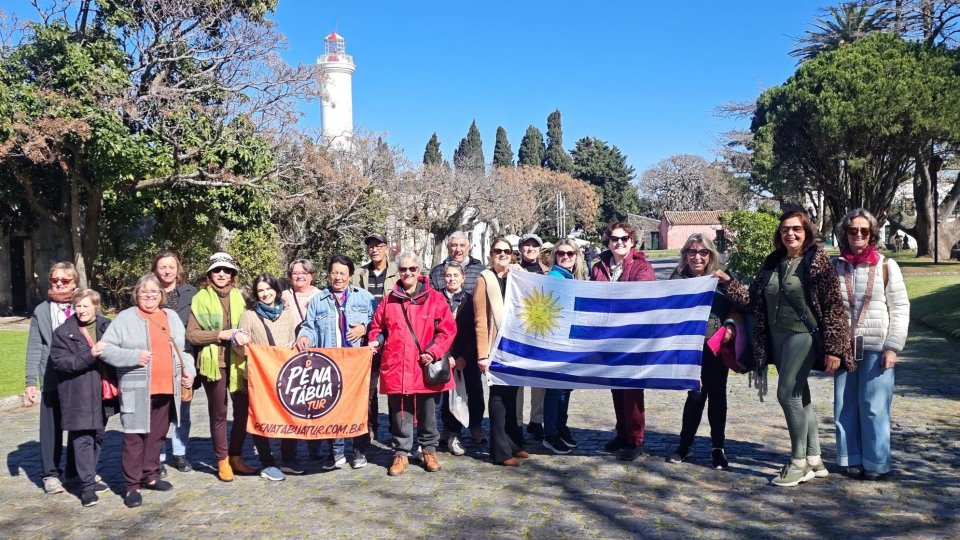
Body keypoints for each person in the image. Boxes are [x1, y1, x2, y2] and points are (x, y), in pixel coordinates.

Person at [749, 210, 851, 487]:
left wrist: (834, 348)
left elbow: (833, 306)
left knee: (787, 393)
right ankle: (814, 459)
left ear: (806, 232)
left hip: (803, 335)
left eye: (796, 229)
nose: (790, 234)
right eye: (785, 229)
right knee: (800, 394)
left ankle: (798, 462)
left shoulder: (817, 260)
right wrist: (727, 281)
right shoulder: (773, 261)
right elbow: (753, 298)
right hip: (777, 337)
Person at [100, 274, 195, 508]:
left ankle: (150, 475)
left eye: (154, 291)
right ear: (137, 294)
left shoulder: (171, 317)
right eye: (144, 292)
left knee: (157, 435)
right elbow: (104, 349)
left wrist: (189, 371)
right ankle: (131, 486)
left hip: (167, 387)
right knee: (135, 437)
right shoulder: (125, 318)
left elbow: (182, 350)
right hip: (137, 389)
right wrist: (133, 356)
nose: (149, 295)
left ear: (161, 295)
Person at [833, 208, 910, 480]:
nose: (858, 234)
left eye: (864, 230)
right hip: (844, 348)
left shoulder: (886, 266)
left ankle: (876, 463)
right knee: (845, 406)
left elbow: (900, 307)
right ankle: (850, 458)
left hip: (877, 347)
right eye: (852, 230)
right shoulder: (836, 266)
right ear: (845, 233)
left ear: (872, 234)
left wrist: (893, 347)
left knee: (874, 407)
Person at [368, 251, 457, 476]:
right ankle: (401, 453)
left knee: (428, 412)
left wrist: (433, 352)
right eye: (403, 269)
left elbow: (447, 330)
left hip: (423, 365)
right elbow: (378, 327)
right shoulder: (389, 300)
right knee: (400, 412)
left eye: (412, 269)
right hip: (397, 365)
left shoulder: (435, 298)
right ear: (398, 272)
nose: (408, 273)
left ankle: (429, 450)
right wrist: (376, 340)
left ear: (419, 271)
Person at [665, 234, 749, 469]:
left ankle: (718, 447)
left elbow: (745, 303)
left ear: (711, 255)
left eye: (703, 252)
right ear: (685, 255)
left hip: (716, 346)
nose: (697, 257)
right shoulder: (677, 279)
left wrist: (730, 322)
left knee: (717, 394)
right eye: (692, 252)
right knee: (695, 394)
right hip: (689, 347)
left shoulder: (723, 277)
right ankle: (685, 444)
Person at [295, 254, 375, 470]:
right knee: (333, 407)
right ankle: (336, 451)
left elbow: (378, 323)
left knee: (359, 407)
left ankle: (359, 451)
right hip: (329, 365)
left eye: (342, 273)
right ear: (329, 274)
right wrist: (304, 337)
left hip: (356, 365)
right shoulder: (318, 300)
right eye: (334, 273)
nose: (338, 277)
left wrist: (364, 328)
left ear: (350, 275)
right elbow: (309, 327)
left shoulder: (364, 298)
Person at [590, 222, 655, 461]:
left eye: (624, 238)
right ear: (608, 242)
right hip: (608, 337)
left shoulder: (641, 266)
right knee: (616, 387)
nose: (619, 242)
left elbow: (641, 297)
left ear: (632, 241)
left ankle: (636, 439)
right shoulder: (598, 268)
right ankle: (622, 433)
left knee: (632, 390)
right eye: (614, 239)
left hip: (632, 337)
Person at [186, 252, 253, 482]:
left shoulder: (240, 297)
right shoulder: (200, 298)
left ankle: (236, 456)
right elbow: (192, 334)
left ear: (232, 274)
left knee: (242, 411)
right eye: (217, 270)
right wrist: (219, 335)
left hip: (238, 362)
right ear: (210, 274)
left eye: (226, 270)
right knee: (219, 413)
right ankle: (222, 460)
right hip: (214, 363)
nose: (222, 274)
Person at [235, 274, 303, 481]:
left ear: (276, 289)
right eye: (260, 291)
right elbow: (240, 349)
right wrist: (239, 341)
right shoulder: (249, 315)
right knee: (261, 418)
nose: (265, 294)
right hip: (260, 376)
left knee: (290, 415)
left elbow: (292, 338)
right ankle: (267, 463)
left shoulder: (287, 313)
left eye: (268, 289)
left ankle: (288, 459)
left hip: (285, 376)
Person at [50, 289, 113, 507]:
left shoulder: (106, 326)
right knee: (83, 438)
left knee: (98, 435)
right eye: (78, 306)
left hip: (104, 391)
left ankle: (84, 475)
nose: (81, 310)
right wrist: (90, 354)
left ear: (96, 306)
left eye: (86, 305)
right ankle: (87, 487)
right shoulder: (63, 332)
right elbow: (61, 362)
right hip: (78, 392)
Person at [24, 261, 80, 494]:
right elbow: (34, 347)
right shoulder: (41, 310)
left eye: (65, 280)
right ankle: (50, 474)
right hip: (51, 376)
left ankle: (75, 471)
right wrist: (30, 382)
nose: (59, 284)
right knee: (51, 427)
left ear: (75, 283)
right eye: (54, 280)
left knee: (79, 425)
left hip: (80, 376)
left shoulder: (84, 304)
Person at [475, 237, 528, 467]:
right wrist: (482, 354)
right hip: (494, 346)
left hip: (514, 345)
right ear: (491, 254)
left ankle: (514, 443)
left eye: (507, 251)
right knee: (498, 398)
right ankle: (500, 451)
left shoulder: (516, 276)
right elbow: (480, 319)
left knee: (512, 396)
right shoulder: (484, 279)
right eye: (498, 251)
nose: (503, 254)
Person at [152, 250, 199, 475]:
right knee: (159, 411)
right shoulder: (149, 292)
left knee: (183, 410)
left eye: (171, 267)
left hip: (183, 357)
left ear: (178, 269)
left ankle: (179, 453)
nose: (167, 271)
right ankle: (158, 457)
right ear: (155, 270)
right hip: (157, 359)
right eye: (162, 267)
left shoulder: (191, 293)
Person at [541, 239, 588, 455]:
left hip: (571, 341)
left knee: (565, 389)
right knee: (555, 390)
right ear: (555, 256)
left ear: (576, 256)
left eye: (570, 253)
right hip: (557, 342)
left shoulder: (572, 278)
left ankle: (560, 428)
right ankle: (550, 434)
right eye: (561, 253)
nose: (566, 257)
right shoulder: (555, 278)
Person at [351, 233, 399, 441]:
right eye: (371, 246)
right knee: (368, 388)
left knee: (394, 386)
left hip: (392, 338)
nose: (374, 249)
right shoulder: (359, 274)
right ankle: (369, 426)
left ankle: (397, 430)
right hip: (366, 340)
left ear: (386, 248)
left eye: (379, 245)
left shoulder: (398, 272)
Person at [438, 262, 482, 455]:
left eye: (456, 275)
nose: (452, 279)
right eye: (448, 275)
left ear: (463, 278)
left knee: (473, 392)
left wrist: (464, 356)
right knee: (447, 397)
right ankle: (451, 433)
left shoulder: (471, 301)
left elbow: (475, 331)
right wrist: (446, 356)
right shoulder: (436, 299)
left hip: (467, 357)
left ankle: (475, 425)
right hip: (443, 357)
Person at [515, 233, 548, 442]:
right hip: (518, 331)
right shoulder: (512, 271)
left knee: (539, 380)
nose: (530, 249)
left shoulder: (547, 272)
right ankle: (517, 422)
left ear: (539, 249)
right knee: (517, 380)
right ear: (520, 249)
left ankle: (536, 421)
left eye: (534, 246)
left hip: (540, 331)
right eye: (526, 245)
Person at [281, 259, 321, 329]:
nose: (299, 276)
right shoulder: (283, 296)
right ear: (290, 277)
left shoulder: (320, 296)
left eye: (303, 273)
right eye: (295, 273)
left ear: (311, 276)